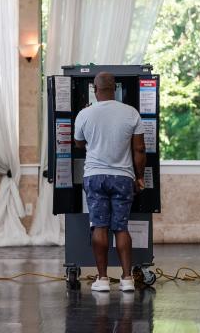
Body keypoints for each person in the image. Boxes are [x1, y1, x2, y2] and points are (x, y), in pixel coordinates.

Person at [74, 72, 146, 293]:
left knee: (100, 226)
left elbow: (78, 144)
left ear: (95, 89)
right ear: (115, 88)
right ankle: (126, 279)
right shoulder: (131, 113)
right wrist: (140, 176)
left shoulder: (85, 114)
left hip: (95, 176)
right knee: (121, 227)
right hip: (123, 177)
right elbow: (140, 149)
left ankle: (103, 279)